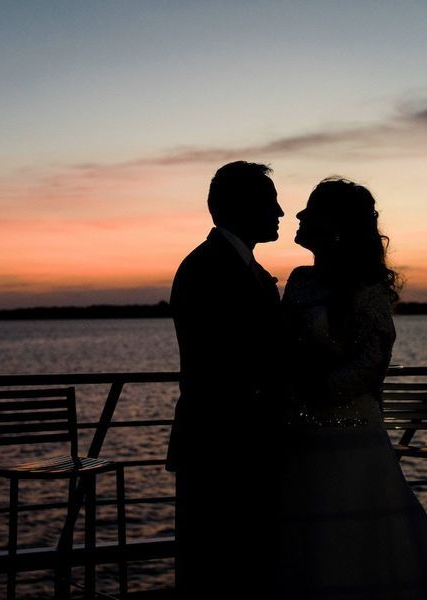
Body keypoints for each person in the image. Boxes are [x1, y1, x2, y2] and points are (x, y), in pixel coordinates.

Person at [279, 178, 427, 599]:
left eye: (311, 210)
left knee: (360, 540)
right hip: (298, 433)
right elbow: (283, 343)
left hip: (350, 432)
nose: (300, 216)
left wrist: (316, 390)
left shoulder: (366, 288)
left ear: (336, 225)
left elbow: (373, 360)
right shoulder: (300, 280)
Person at [167, 161, 287, 599]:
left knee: (243, 569)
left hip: (238, 447)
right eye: (271, 201)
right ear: (242, 207)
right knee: (216, 572)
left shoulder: (240, 267)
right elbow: (224, 363)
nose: (280, 211)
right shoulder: (207, 268)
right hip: (220, 447)